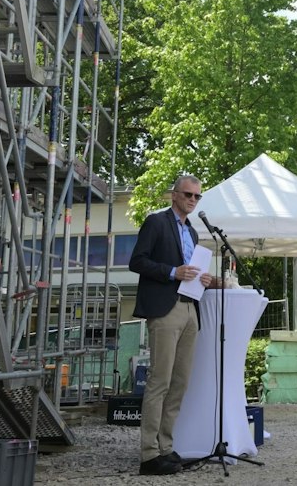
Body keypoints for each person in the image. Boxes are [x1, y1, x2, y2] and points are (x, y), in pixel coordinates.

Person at [127, 175, 220, 477]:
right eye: (189, 195)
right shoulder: (156, 223)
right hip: (165, 310)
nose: (193, 200)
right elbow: (137, 261)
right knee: (160, 382)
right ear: (174, 195)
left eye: (198, 196)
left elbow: (190, 271)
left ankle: (165, 446)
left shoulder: (192, 232)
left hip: (190, 308)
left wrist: (203, 279)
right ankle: (148, 454)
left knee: (180, 383)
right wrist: (172, 272)